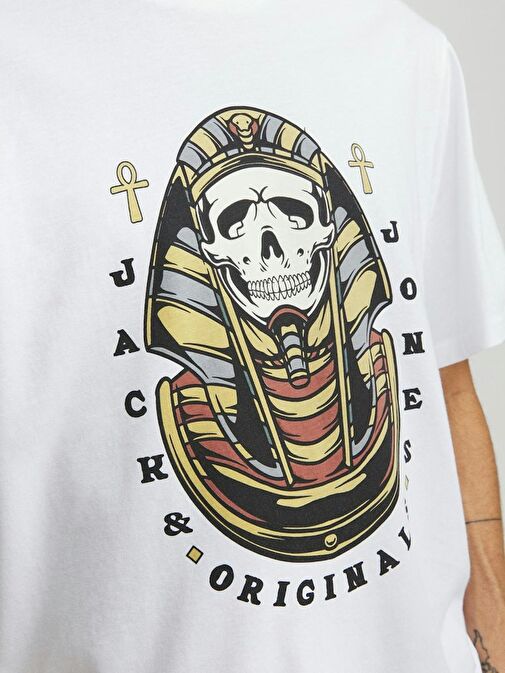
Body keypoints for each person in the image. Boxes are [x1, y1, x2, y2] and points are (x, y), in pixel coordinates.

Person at [0, 1, 504, 672]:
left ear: (328, 229)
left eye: (293, 214)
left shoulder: (407, 53)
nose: (270, 245)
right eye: (237, 223)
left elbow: (445, 382)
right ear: (203, 250)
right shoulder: (17, 59)